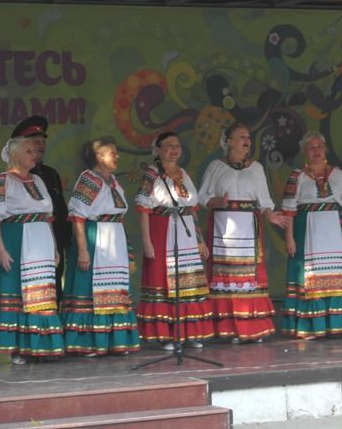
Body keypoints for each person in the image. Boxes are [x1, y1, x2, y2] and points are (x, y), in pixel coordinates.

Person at [198, 122, 288, 343]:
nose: (246, 140)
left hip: (248, 225)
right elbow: (201, 197)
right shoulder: (216, 167)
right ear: (228, 141)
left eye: (248, 137)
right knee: (227, 277)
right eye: (241, 136)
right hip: (223, 226)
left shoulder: (256, 168)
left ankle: (252, 328)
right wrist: (217, 201)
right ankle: (231, 329)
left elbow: (264, 200)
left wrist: (270, 215)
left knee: (249, 277)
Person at [281, 131, 342, 339]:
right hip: (307, 230)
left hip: (333, 230)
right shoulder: (297, 176)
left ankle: (337, 324)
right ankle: (310, 326)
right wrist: (289, 237)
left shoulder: (337, 174)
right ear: (304, 152)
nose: (316, 151)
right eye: (311, 147)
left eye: (319, 147)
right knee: (310, 277)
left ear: (325, 150)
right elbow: (289, 209)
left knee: (336, 274)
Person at [0, 138, 64, 364]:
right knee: (18, 293)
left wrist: (54, 247)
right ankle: (18, 348)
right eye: (28, 151)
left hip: (41, 241)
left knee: (42, 293)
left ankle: (41, 345)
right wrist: (1, 250)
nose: (34, 154)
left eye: (34, 150)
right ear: (14, 156)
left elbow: (48, 217)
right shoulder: (1, 181)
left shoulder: (38, 180)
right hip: (16, 240)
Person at [61, 137, 140, 356]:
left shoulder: (112, 181)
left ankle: (115, 341)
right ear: (98, 157)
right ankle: (90, 342)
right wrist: (83, 250)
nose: (117, 156)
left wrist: (128, 251)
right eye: (112, 153)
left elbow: (119, 216)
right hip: (95, 238)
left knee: (115, 290)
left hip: (114, 240)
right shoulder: (89, 179)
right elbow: (78, 216)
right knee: (91, 290)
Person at [136, 132, 214, 350]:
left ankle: (190, 332)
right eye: (168, 145)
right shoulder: (151, 175)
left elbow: (191, 209)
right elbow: (143, 208)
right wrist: (147, 241)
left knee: (187, 280)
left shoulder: (183, 174)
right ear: (158, 149)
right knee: (164, 280)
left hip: (186, 232)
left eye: (177, 145)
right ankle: (167, 335)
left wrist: (200, 239)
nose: (174, 149)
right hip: (162, 230)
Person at [11, 116, 71, 305]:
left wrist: (65, 238)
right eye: (35, 142)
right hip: (27, 240)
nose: (41, 146)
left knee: (54, 284)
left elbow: (60, 207)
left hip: (53, 237)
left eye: (43, 142)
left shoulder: (50, 174)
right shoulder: (12, 178)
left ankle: (51, 321)